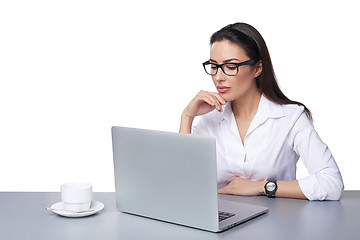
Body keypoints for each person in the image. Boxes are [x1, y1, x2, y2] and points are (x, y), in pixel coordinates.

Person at [179, 22, 344, 201]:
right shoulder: (210, 119)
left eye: (230, 67)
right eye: (213, 66)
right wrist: (187, 117)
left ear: (257, 68)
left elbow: (331, 183)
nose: (218, 77)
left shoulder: (290, 117)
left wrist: (261, 187)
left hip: (277, 221)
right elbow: (183, 184)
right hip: (222, 220)